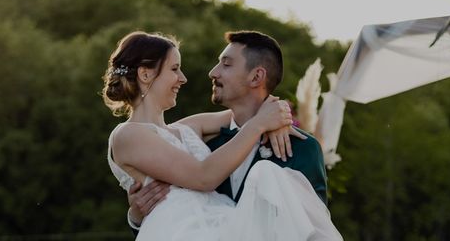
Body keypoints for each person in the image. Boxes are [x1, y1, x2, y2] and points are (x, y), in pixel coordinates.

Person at [105, 31, 342, 240]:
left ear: (256, 76)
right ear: (146, 75)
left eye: (226, 64)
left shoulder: (187, 129)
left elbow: (249, 112)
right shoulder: (128, 135)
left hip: (225, 224)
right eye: (175, 69)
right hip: (184, 233)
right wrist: (135, 218)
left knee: (268, 173)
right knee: (266, 173)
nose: (183, 78)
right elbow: (203, 177)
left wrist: (278, 115)